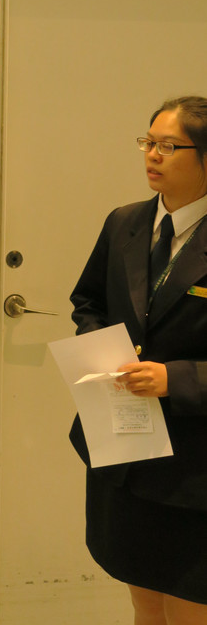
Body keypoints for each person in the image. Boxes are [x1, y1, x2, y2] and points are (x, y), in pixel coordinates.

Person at [69, 96, 207, 625]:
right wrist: (100, 350)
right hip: (124, 449)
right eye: (148, 142)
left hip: (193, 466)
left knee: (188, 605)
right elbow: (88, 302)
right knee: (144, 600)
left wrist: (176, 378)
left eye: (169, 146)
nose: (152, 155)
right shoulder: (125, 222)